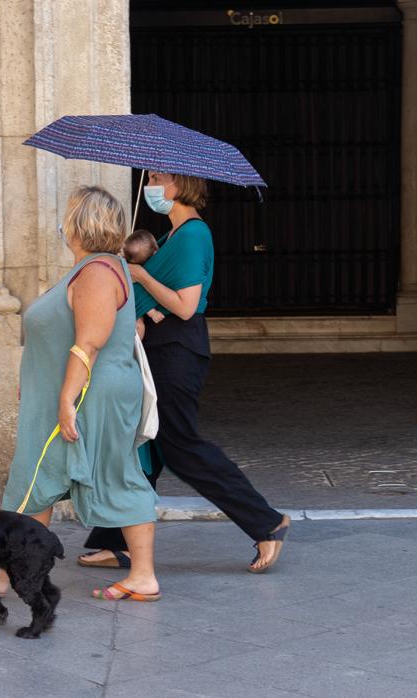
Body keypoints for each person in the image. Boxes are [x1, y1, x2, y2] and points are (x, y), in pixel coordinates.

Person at [77, 171, 291, 574]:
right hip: (161, 349)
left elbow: (186, 305)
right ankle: (116, 540)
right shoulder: (172, 236)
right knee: (143, 446)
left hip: (179, 351)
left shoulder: (193, 234)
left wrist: (140, 275)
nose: (149, 186)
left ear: (179, 185)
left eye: (156, 178)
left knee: (179, 445)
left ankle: (266, 522)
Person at [0, 185, 161, 603]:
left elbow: (89, 341)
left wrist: (65, 400)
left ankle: (5, 571)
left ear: (78, 224)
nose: (63, 222)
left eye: (68, 215)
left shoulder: (98, 273)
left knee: (44, 474)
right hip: (80, 392)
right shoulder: (95, 269)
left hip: (87, 394)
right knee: (48, 475)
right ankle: (6, 569)